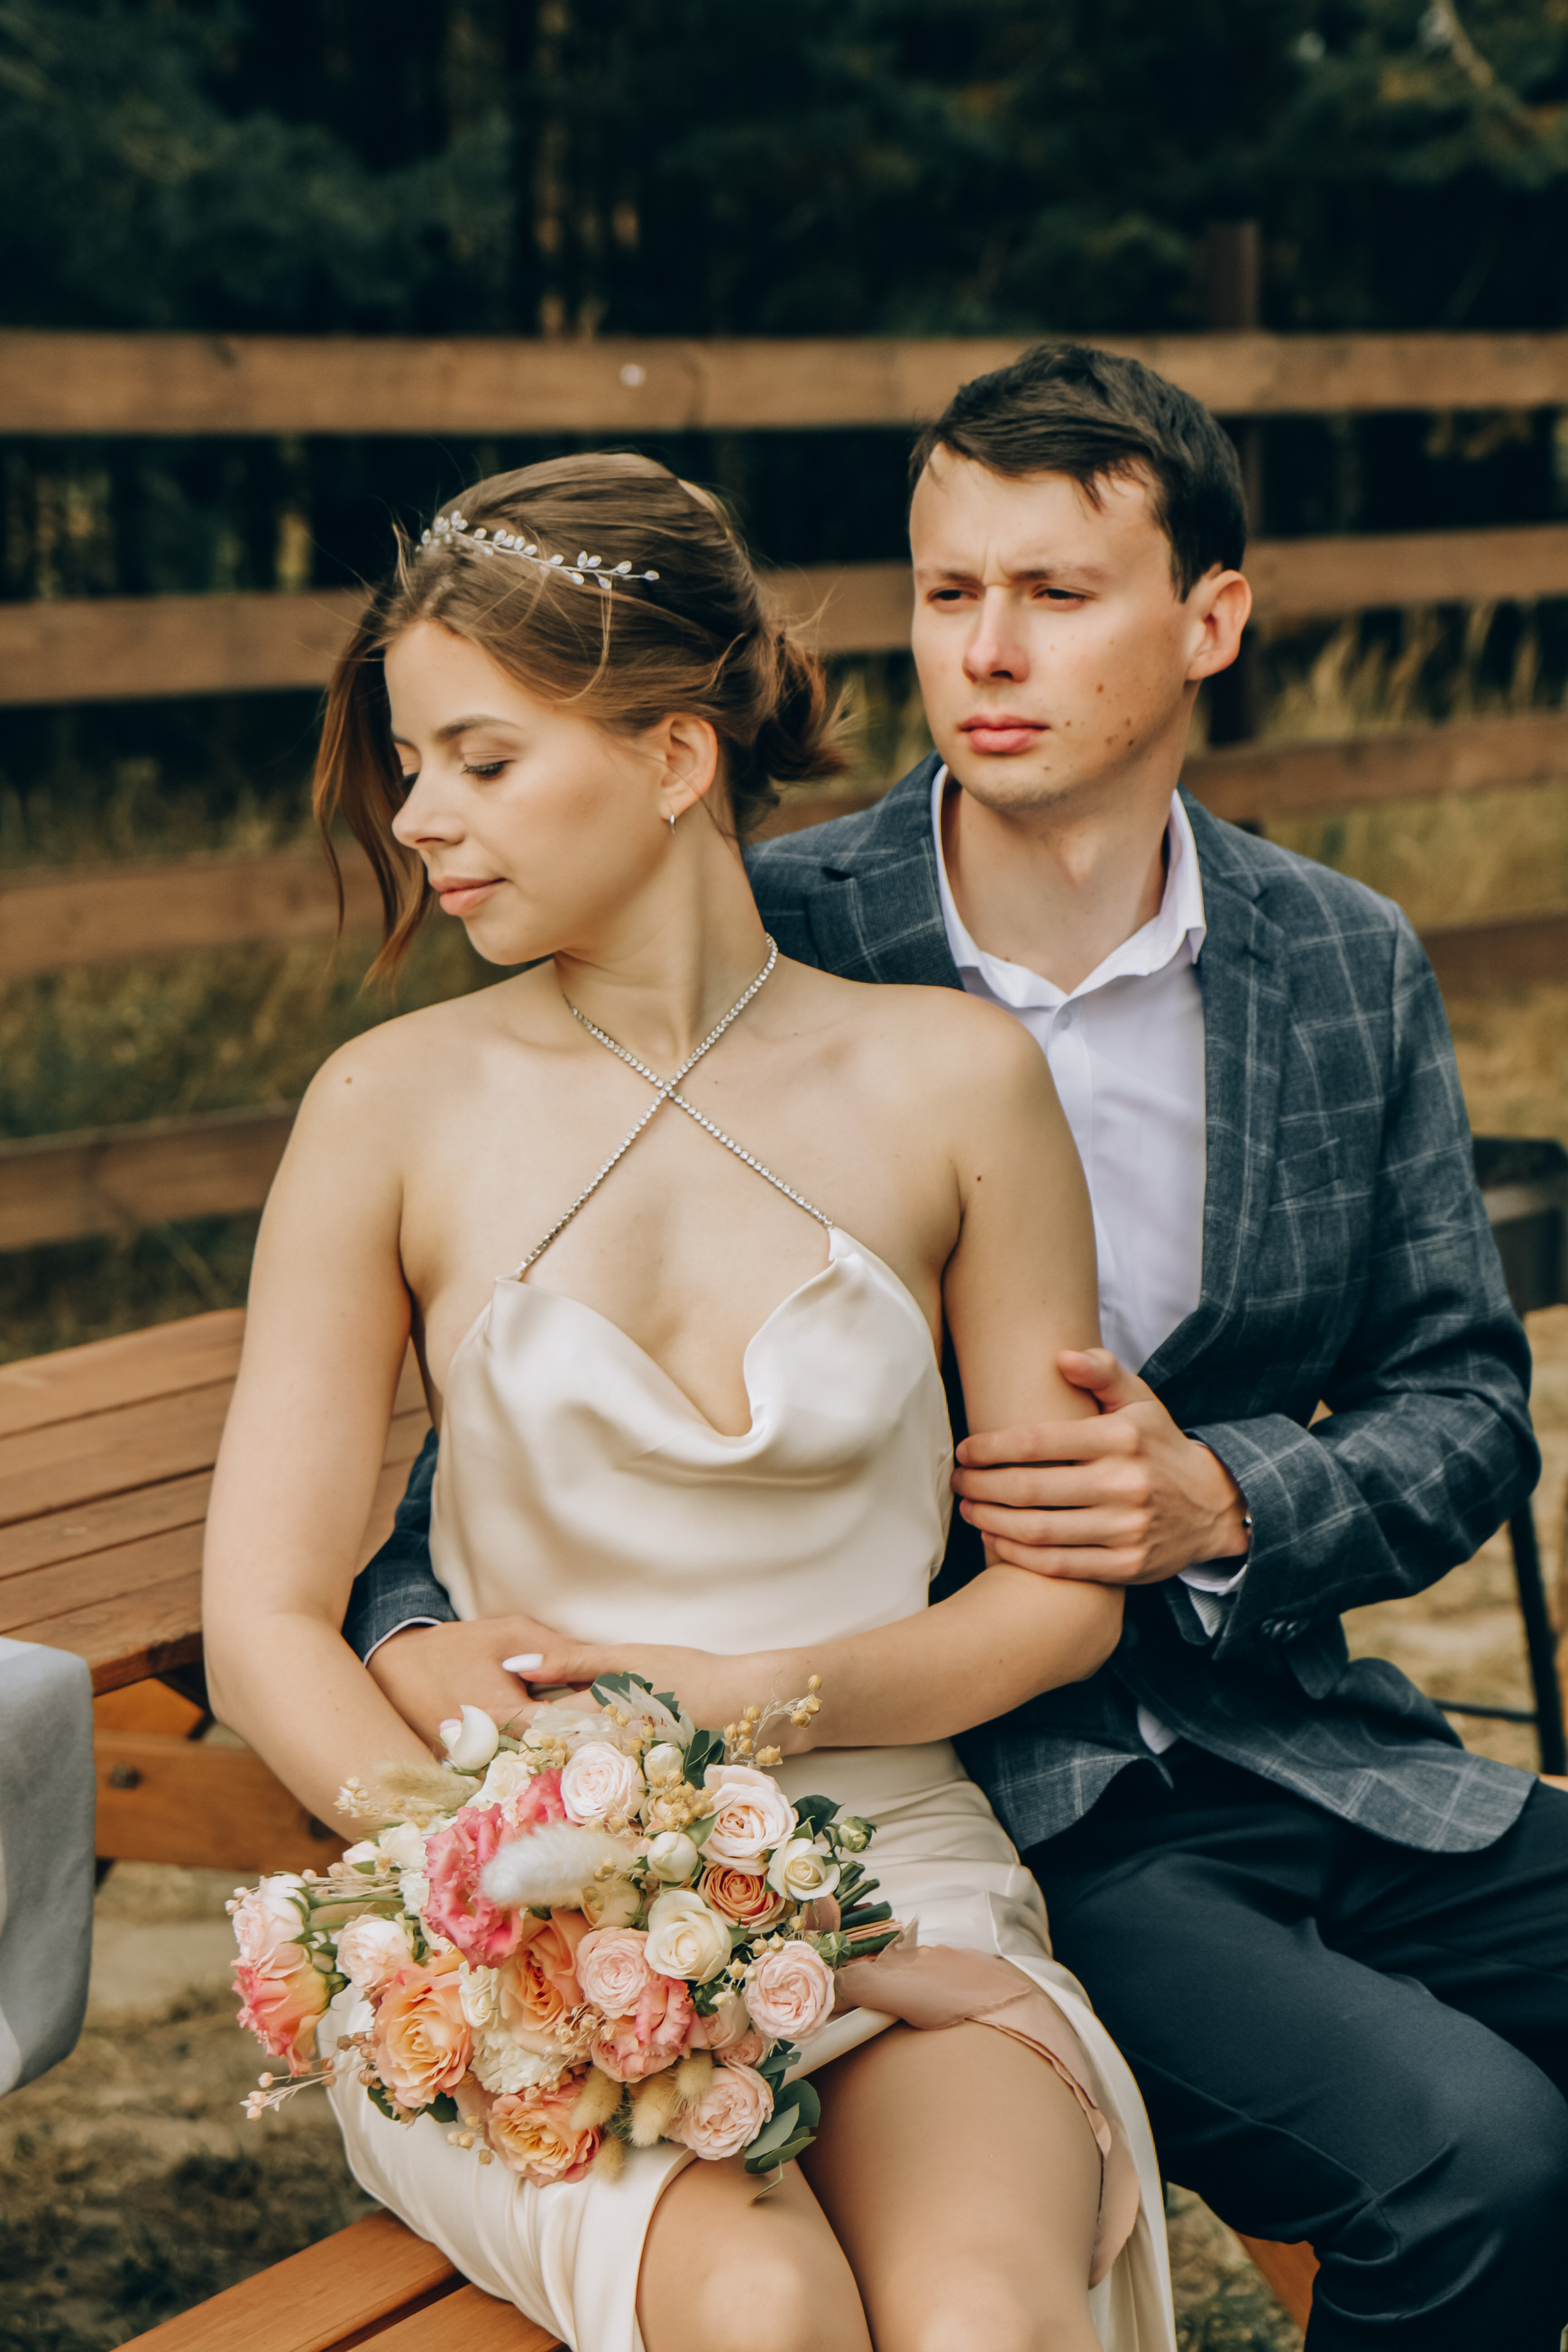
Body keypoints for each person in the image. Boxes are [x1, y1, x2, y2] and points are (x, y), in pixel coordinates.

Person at [349, 345, 1568, 2350]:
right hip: (972, 1792)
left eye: (1056, 594)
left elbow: (1468, 1400)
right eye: (946, 591)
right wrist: (427, 1643)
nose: (985, 650)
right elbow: (491, 1437)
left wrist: (1228, 1500)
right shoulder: (756, 936)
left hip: (1308, 1745)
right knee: (1480, 2159)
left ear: (1211, 622)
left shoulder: (1342, 958)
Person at [202, 448, 1179, 2352]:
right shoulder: (386, 1110)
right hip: (510, 1907)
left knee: (984, 2320)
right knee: (765, 2308)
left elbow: (1059, 1597)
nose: (418, 816)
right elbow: (265, 1623)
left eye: (481, 761)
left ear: (673, 758)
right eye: (408, 764)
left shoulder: (957, 1084)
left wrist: (741, 1708)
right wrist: (508, 1881)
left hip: (885, 1856)